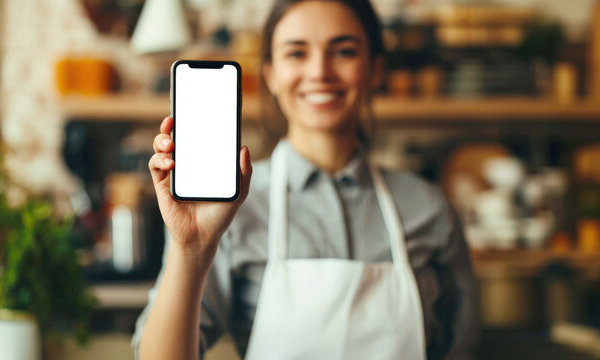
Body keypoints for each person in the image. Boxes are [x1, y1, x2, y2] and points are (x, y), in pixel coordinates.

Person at [133, 0, 478, 359]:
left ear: (375, 69)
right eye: (297, 53)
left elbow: (462, 349)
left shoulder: (428, 207)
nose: (319, 72)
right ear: (270, 74)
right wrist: (191, 248)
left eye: (344, 51)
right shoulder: (228, 208)